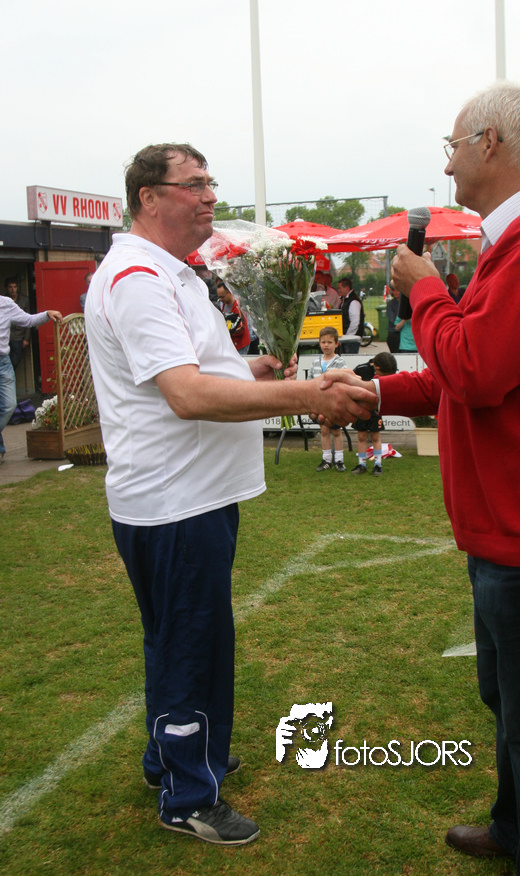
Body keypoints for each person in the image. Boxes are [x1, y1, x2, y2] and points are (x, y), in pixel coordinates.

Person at [84, 143, 377, 847]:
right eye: (194, 184)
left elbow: (189, 372)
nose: (210, 195)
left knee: (175, 640)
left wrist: (250, 370)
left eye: (210, 181)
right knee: (193, 646)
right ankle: (190, 793)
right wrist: (306, 395)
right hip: (176, 501)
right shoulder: (137, 277)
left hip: (188, 496)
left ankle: (172, 755)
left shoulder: (169, 271)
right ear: (149, 197)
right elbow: (186, 395)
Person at [360, 83, 520, 875]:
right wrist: (376, 394)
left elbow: (477, 369)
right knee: (513, 704)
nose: (448, 164)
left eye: (452, 146)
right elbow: (468, 370)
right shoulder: (519, 240)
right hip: (510, 530)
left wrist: (423, 286)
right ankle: (518, 828)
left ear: (490, 143)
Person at [0, 294, 62, 462]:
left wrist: (47, 314)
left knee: (9, 405)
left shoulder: (5, 303)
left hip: (3, 362)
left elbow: (28, 320)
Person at [307, 326, 348, 472]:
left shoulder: (340, 362)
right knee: (324, 430)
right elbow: (310, 381)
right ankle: (326, 459)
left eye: (330, 342)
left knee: (336, 431)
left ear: (336, 344)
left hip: (334, 403)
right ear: (319, 343)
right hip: (319, 404)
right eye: (323, 342)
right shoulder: (315, 362)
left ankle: (339, 460)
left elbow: (344, 381)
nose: (326, 345)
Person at [351, 352, 397, 475]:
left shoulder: (386, 371)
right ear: (377, 368)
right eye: (385, 374)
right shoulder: (361, 370)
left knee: (375, 437)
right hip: (361, 409)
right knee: (361, 437)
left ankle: (378, 465)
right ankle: (361, 464)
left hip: (376, 410)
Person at [216, 279, 251, 355]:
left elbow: (241, 327)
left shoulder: (237, 306)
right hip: (232, 343)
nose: (221, 299)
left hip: (240, 344)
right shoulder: (223, 304)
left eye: (222, 297)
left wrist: (228, 331)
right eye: (219, 297)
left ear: (229, 292)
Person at [3, 277, 31, 370]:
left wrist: (26, 338)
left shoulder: (24, 300)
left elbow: (29, 318)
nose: (13, 289)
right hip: (6, 335)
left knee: (15, 360)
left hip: (19, 336)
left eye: (14, 287)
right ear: (6, 288)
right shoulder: (3, 300)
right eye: (10, 287)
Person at [337, 277, 364, 353]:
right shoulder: (345, 300)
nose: (338, 290)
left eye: (340, 288)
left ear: (346, 288)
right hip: (347, 338)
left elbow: (355, 323)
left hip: (351, 340)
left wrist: (347, 337)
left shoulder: (353, 302)